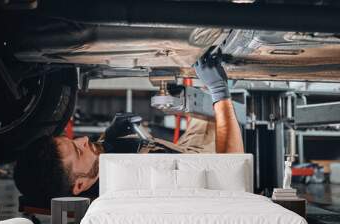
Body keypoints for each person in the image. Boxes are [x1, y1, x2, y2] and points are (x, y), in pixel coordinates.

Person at [14, 52, 244, 207]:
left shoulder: (93, 175)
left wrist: (109, 136)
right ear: (79, 186)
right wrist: (219, 93)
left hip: (181, 150)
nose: (84, 139)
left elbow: (94, 156)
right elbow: (231, 170)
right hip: (202, 163)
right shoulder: (138, 188)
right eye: (79, 150)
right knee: (226, 85)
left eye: (73, 140)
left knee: (200, 78)